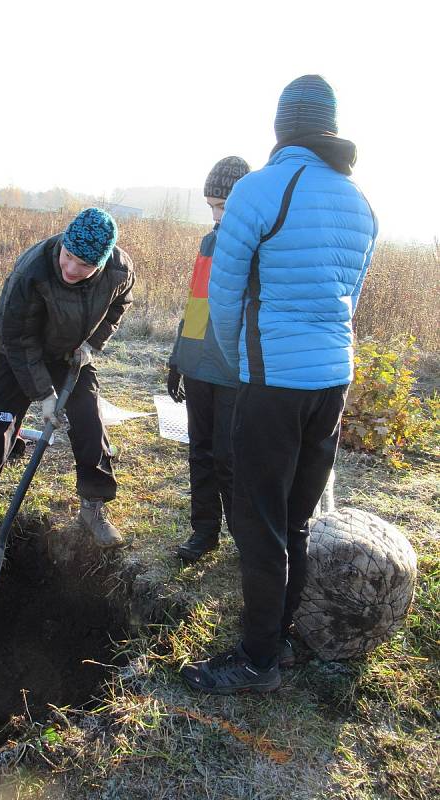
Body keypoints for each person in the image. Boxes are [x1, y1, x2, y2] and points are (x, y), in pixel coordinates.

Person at [181, 75, 378, 693]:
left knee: (259, 520)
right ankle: (279, 638)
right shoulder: (360, 202)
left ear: (280, 127)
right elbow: (352, 296)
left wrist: (243, 367)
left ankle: (256, 659)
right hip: (332, 381)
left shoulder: (259, 191)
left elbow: (224, 293)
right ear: (331, 129)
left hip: (274, 383)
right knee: (294, 518)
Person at [0, 207, 135, 563]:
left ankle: (93, 506)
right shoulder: (33, 269)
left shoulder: (119, 271)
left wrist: (92, 345)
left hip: (70, 352)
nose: (70, 268)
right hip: (14, 350)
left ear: (102, 262)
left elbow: (119, 305)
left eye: (83, 265)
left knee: (90, 421)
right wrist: (44, 396)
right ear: (62, 243)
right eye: (68, 256)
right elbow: (19, 338)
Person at [168, 156, 250, 562]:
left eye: (224, 205)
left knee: (228, 457)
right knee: (199, 451)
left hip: (235, 372)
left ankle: (243, 539)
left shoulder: (257, 247)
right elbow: (196, 307)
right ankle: (204, 532)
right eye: (212, 206)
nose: (217, 215)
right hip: (199, 366)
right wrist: (177, 358)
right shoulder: (209, 243)